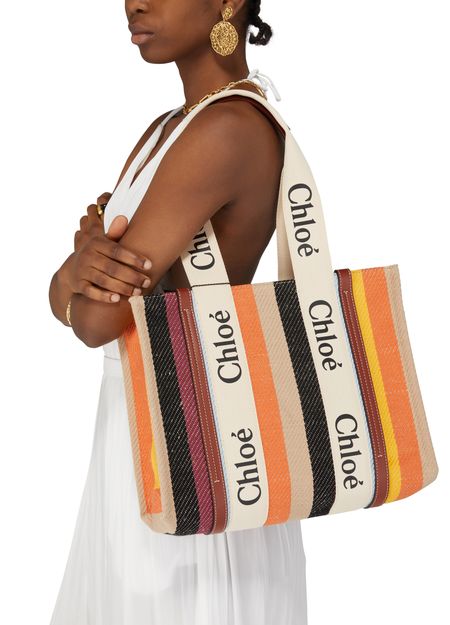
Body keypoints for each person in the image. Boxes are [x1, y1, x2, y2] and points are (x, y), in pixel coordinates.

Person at [48, 1, 308, 623]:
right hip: (144, 435)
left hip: (194, 447)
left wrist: (75, 269)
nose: (133, 3)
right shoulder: (168, 129)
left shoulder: (228, 129)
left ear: (229, 3)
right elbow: (84, 297)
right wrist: (76, 275)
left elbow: (96, 321)